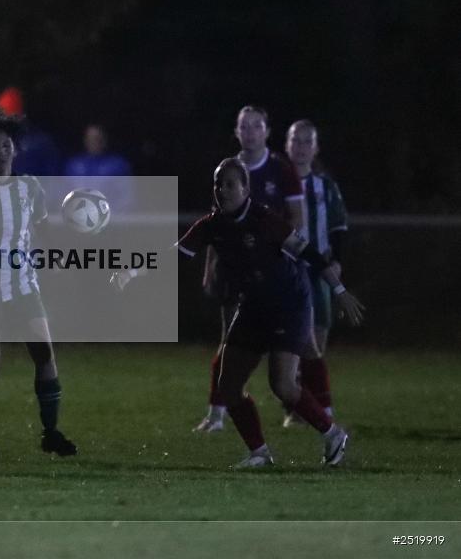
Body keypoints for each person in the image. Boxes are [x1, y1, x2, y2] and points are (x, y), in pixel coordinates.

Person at [113, 157, 364, 467]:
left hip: (288, 304)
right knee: (227, 385)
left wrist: (338, 290)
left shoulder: (264, 219)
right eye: (218, 183)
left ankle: (333, 434)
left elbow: (308, 252)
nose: (223, 190)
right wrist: (132, 272)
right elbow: (173, 256)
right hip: (253, 306)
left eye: (231, 183)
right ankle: (259, 453)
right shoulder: (211, 225)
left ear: (246, 188)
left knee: (282, 384)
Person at [0, 108, 78, 459]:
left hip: (23, 284)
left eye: (7, 144)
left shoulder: (29, 187)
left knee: (44, 352)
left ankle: (51, 432)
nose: (3, 151)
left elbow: (37, 229)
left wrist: (52, 259)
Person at [195, 105, 306, 433]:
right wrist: (211, 265)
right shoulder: (228, 170)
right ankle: (217, 413)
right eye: (244, 126)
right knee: (228, 339)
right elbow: (215, 225)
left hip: (275, 276)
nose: (250, 132)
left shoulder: (281, 170)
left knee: (295, 346)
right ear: (237, 131)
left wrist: (290, 257)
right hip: (236, 272)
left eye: (256, 126)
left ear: (267, 131)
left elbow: (297, 220)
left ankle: (298, 409)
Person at [282, 120, 349, 426]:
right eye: (296, 141)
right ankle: (303, 408)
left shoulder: (326, 186)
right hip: (287, 274)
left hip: (317, 271)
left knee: (316, 344)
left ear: (316, 148)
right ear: (287, 145)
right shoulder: (278, 183)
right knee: (296, 345)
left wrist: (336, 260)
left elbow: (338, 227)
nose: (301, 147)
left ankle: (305, 406)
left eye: (307, 142)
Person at [64, 123, 135, 212]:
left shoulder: (118, 165)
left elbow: (126, 198)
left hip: (111, 218)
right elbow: (65, 194)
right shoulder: (74, 165)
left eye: (97, 139)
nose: (94, 142)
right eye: (90, 139)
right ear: (85, 140)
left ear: (104, 140)